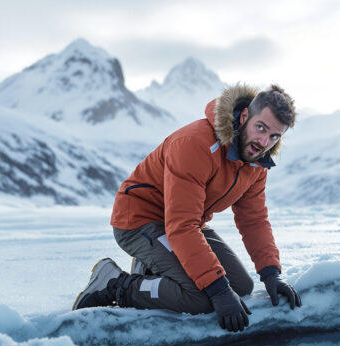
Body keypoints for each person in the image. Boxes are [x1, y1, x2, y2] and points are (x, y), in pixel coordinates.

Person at [72, 83, 302, 332]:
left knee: (241, 287)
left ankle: (152, 270)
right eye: (261, 128)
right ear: (244, 116)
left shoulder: (256, 164)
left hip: (185, 223)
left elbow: (253, 220)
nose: (264, 141)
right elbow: (181, 226)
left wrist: (271, 274)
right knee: (202, 297)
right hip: (140, 221)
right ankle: (117, 284)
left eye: (274, 136)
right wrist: (218, 289)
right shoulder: (195, 143)